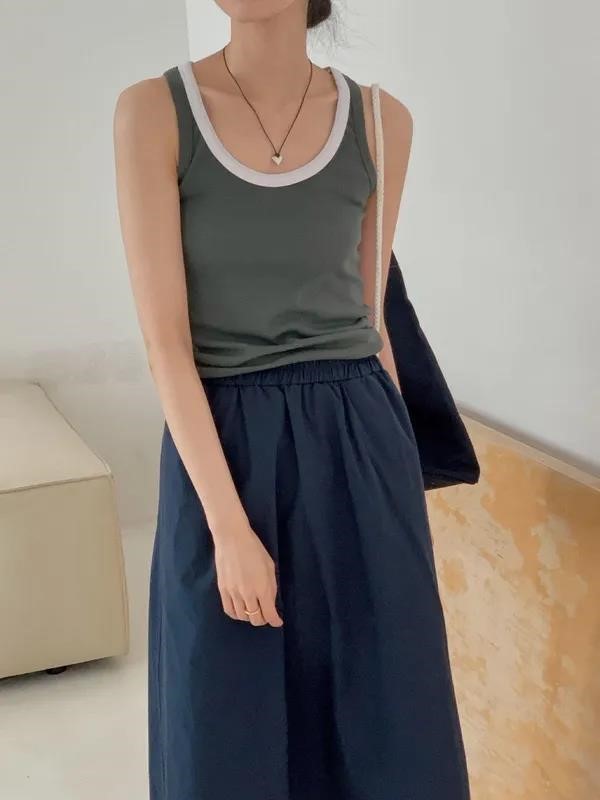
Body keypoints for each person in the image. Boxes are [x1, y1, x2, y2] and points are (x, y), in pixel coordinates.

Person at [113, 1, 471, 797]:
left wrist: (398, 487)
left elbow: (371, 316)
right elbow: (167, 346)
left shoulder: (381, 120)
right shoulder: (155, 112)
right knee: (223, 715)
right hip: (226, 443)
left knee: (385, 710)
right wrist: (228, 528)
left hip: (359, 438)